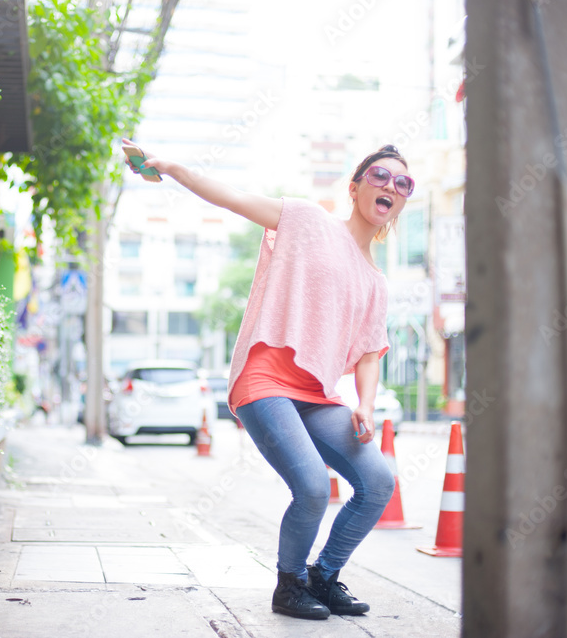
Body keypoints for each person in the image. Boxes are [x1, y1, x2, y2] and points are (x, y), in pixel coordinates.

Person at [123, 139, 411, 621]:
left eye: (402, 183)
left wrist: (365, 403)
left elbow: (368, 353)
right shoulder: (308, 220)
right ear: (355, 187)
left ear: (402, 202)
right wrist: (173, 166)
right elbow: (231, 197)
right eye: (379, 176)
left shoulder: (376, 281)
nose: (390, 187)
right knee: (314, 488)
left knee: (379, 481)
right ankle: (289, 584)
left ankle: (324, 575)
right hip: (265, 381)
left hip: (317, 395)